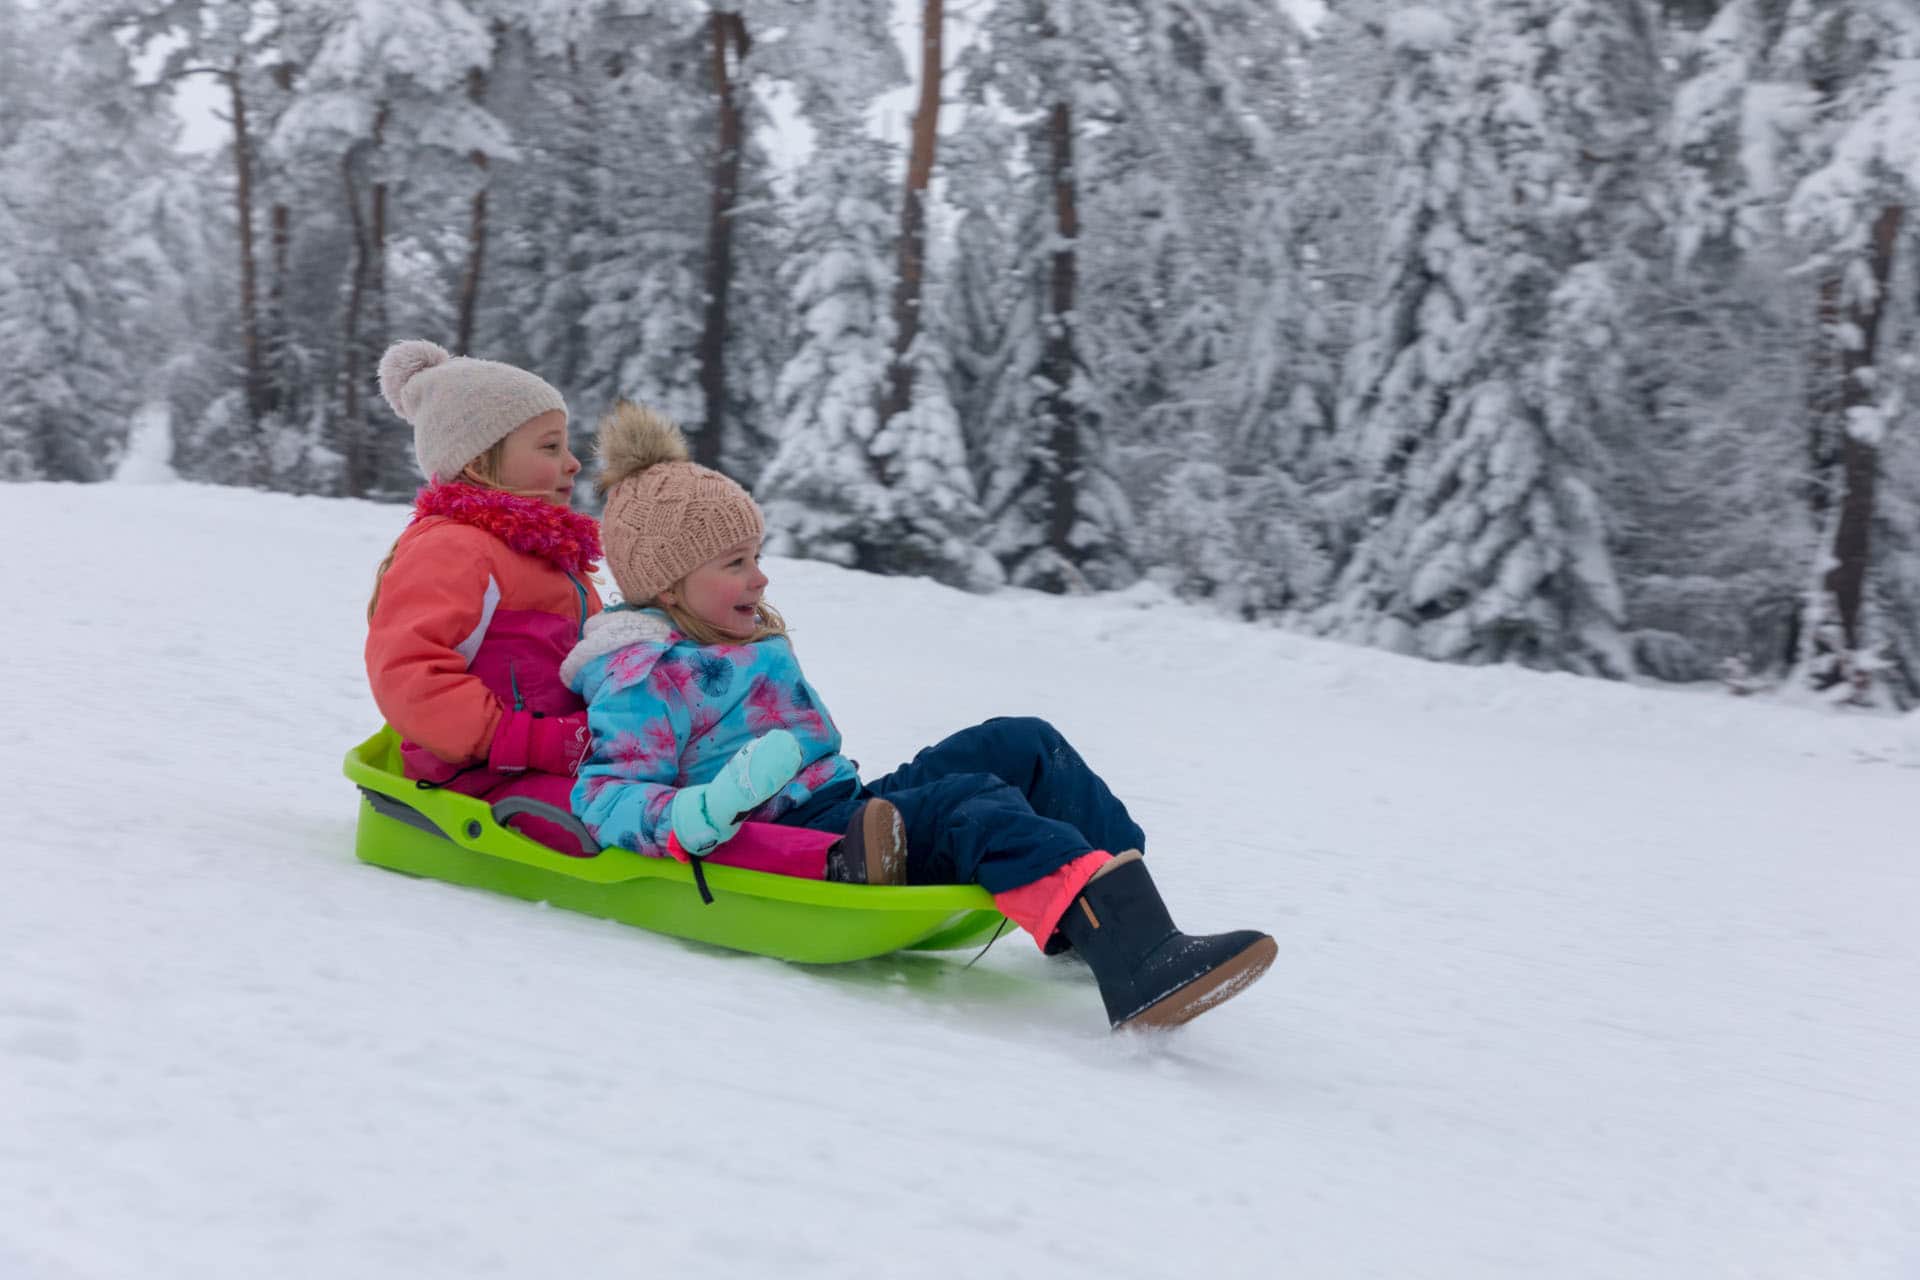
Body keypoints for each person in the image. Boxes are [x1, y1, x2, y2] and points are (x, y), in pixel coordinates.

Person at [564, 401, 1276, 1030]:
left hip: (844, 800)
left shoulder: (736, 629)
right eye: (735, 562)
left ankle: (1113, 911)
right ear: (667, 584)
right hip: (796, 842)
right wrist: (699, 811)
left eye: (757, 554)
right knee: (970, 806)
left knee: (1022, 743)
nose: (761, 576)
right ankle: (1138, 964)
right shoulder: (641, 674)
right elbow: (604, 795)